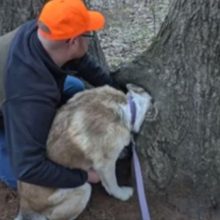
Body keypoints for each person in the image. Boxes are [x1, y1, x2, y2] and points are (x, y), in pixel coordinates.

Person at [0, 0, 118, 189]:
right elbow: (29, 168)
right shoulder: (31, 95)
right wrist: (86, 176)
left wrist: (116, 90)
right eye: (89, 34)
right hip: (15, 101)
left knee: (74, 87)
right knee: (23, 180)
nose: (90, 38)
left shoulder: (41, 33)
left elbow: (81, 61)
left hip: (14, 93)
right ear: (73, 41)